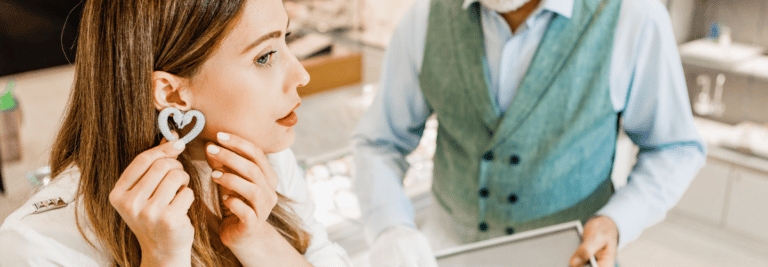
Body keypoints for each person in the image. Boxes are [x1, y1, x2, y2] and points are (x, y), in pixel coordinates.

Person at [352, 0, 706, 266]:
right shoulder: (426, 16)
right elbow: (379, 141)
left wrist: (617, 220)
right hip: (447, 252)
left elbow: (674, 147)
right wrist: (389, 228)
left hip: (567, 257)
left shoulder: (633, 16)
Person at [0, 0, 353, 266]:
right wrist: (161, 258)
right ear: (171, 93)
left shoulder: (263, 161)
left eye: (287, 38)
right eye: (265, 56)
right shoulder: (37, 245)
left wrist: (257, 239)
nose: (302, 76)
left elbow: (323, 254)